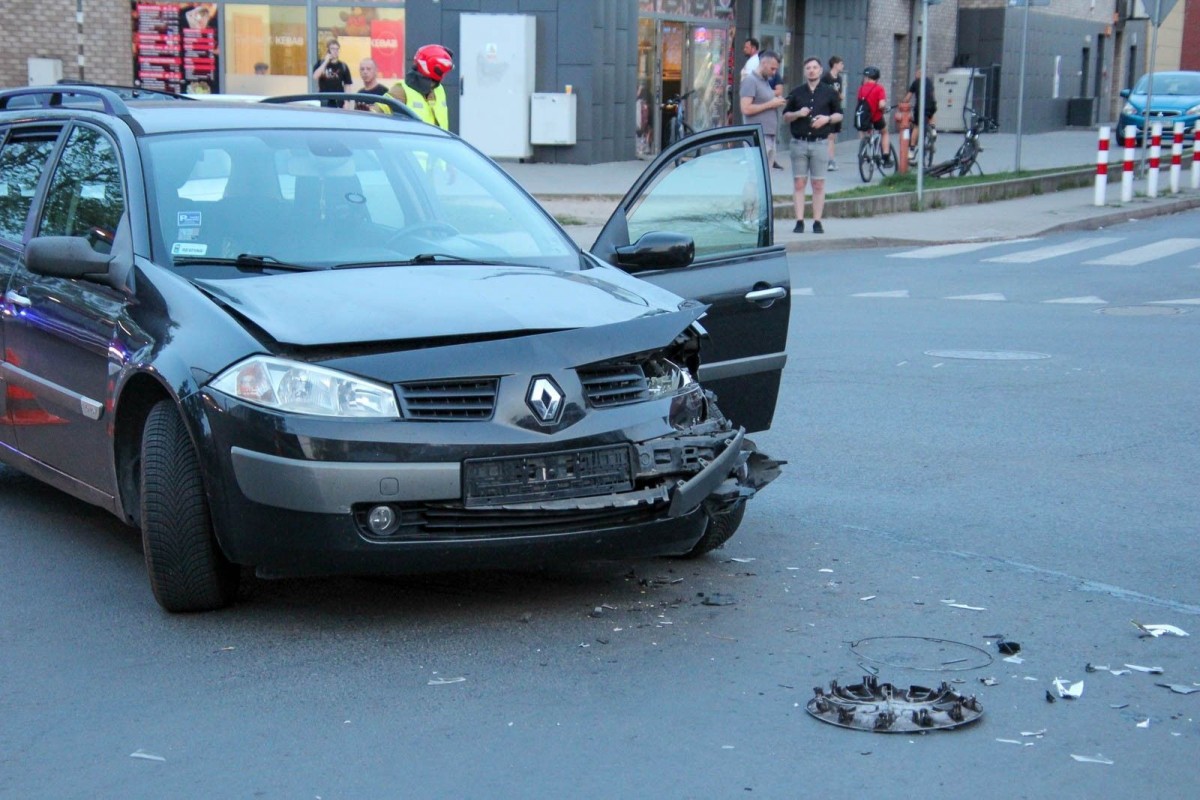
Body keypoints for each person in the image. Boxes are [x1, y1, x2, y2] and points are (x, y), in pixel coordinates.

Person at [782, 56, 843, 234]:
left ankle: (817, 221)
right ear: (804, 71)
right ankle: (799, 221)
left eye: (815, 67)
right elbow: (785, 116)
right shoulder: (796, 92)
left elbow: (839, 114)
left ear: (821, 69)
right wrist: (798, 114)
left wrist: (827, 119)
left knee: (818, 183)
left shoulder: (829, 92)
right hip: (799, 142)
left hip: (820, 143)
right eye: (808, 68)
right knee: (799, 182)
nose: (811, 70)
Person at [740, 51, 786, 176]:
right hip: (757, 135)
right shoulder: (750, 80)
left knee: (765, 178)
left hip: (769, 134)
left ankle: (761, 196)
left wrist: (776, 102)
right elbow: (746, 108)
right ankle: (751, 196)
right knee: (755, 177)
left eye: (776, 69)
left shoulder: (764, 81)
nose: (774, 72)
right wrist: (770, 104)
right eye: (772, 68)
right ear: (763, 63)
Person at [387, 44, 454, 130]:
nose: (444, 75)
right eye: (444, 71)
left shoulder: (439, 89)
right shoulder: (401, 90)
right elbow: (378, 112)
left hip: (440, 142)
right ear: (437, 69)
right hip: (411, 143)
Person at [857, 66, 891, 166]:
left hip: (864, 117)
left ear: (867, 77)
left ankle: (865, 148)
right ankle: (886, 157)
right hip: (876, 117)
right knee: (884, 132)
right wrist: (884, 109)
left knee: (865, 131)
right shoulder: (879, 88)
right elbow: (881, 104)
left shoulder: (861, 89)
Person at [902, 67, 937, 156]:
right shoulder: (929, 81)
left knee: (917, 127)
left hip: (920, 107)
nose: (915, 75)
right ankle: (933, 129)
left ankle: (912, 150)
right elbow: (933, 95)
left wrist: (903, 102)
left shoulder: (916, 82)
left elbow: (908, 98)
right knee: (931, 113)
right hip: (931, 105)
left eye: (916, 73)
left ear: (919, 73)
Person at [821, 56, 845, 170]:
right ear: (835, 64)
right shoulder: (826, 77)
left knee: (833, 136)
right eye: (841, 63)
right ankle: (829, 160)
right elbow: (821, 91)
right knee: (829, 136)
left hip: (836, 108)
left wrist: (839, 96)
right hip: (827, 109)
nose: (842, 66)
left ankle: (830, 159)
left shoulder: (839, 78)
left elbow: (839, 93)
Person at [313, 40, 352, 107]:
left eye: (337, 49)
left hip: (338, 100)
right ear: (328, 50)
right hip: (324, 100)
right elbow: (315, 76)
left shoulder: (343, 66)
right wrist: (326, 62)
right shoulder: (320, 63)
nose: (335, 51)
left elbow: (347, 85)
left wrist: (347, 101)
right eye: (332, 49)